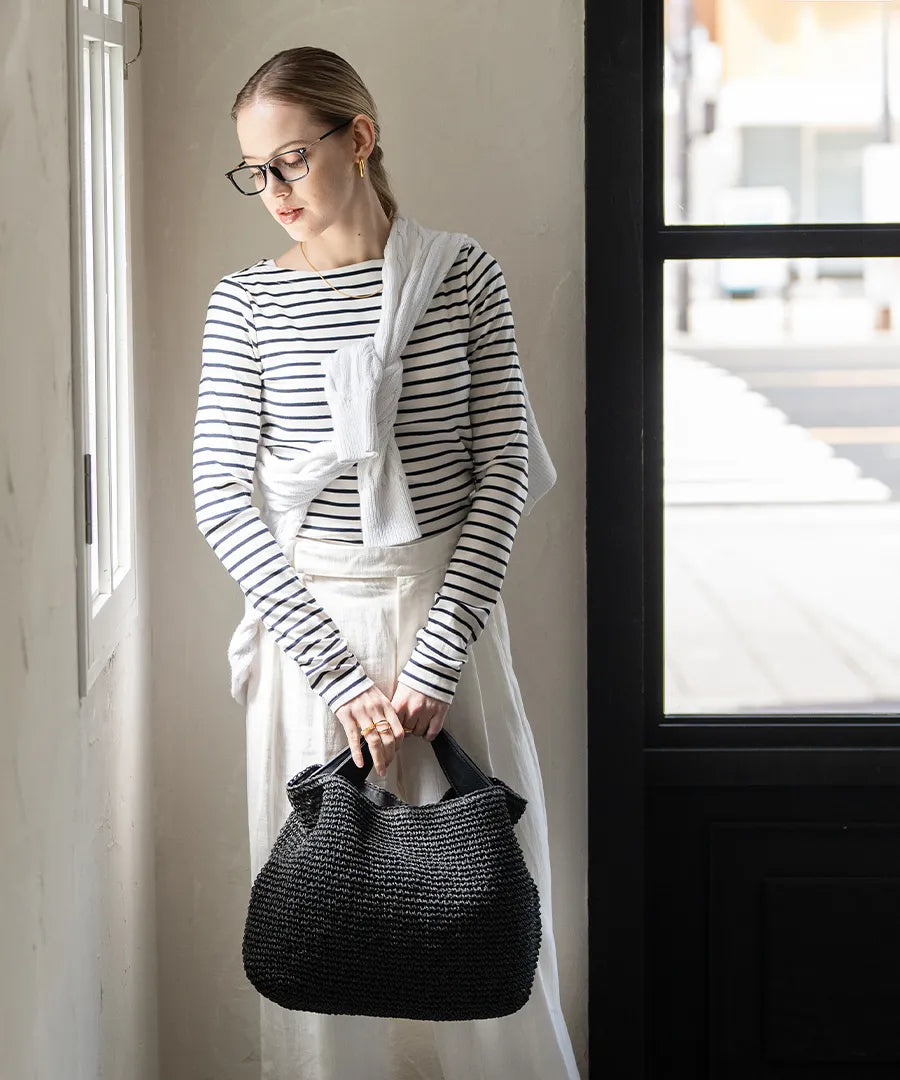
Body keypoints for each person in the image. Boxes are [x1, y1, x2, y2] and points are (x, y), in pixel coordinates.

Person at [192, 45, 581, 1080]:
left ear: (357, 139)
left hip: (445, 625)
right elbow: (223, 498)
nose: (272, 192)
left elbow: (504, 467)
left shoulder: (461, 274)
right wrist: (340, 677)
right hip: (311, 634)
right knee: (329, 926)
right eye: (254, 171)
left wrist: (433, 662)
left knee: (482, 905)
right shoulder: (245, 306)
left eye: (291, 160)